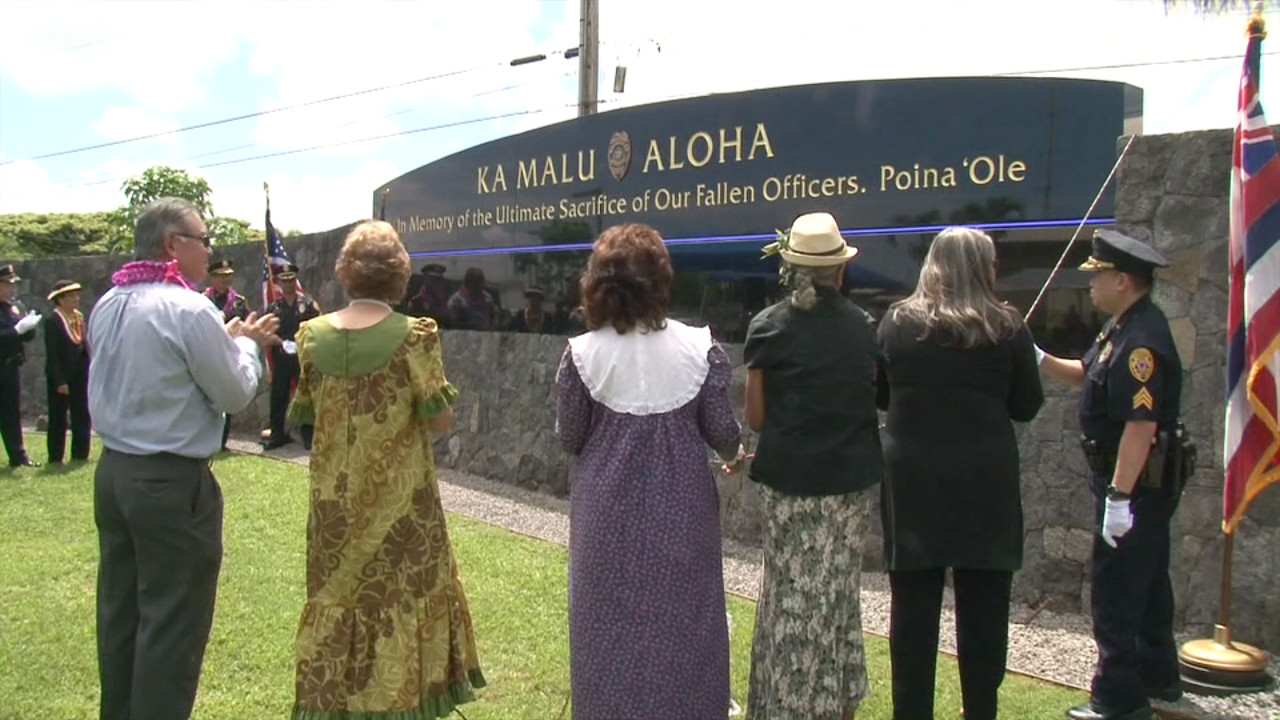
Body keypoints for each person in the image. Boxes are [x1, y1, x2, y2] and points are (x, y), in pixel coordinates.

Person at [88, 197, 278, 720]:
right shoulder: (188, 308)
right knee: (172, 627)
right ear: (174, 244)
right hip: (170, 483)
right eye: (203, 239)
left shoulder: (110, 302)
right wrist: (246, 345)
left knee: (121, 616)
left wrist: (225, 338)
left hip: (115, 474)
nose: (209, 249)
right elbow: (234, 392)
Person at [287, 220, 485, 718]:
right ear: (399, 275)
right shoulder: (415, 336)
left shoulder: (310, 336)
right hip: (403, 509)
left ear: (346, 274)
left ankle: (341, 700)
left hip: (334, 510)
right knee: (403, 600)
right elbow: (439, 420)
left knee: (339, 599)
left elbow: (306, 411)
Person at [555, 223, 743, 720]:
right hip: (681, 519)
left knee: (607, 631)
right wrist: (736, 452)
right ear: (661, 281)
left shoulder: (581, 355)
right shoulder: (699, 349)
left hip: (605, 520)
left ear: (598, 284)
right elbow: (724, 432)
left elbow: (570, 436)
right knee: (685, 627)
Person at [875, 227, 1045, 720]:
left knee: (912, 612)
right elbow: (1027, 405)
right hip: (984, 483)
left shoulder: (896, 323)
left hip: (913, 482)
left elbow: (882, 395)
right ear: (981, 268)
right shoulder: (1009, 327)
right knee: (985, 615)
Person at [1038, 229, 1184, 720]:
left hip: (1135, 485)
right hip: (1134, 484)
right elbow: (1086, 373)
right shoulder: (1121, 328)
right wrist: (1036, 357)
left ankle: (1118, 696)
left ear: (1122, 280)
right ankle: (1158, 676)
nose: (1090, 286)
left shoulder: (1141, 341)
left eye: (1097, 276)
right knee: (1147, 582)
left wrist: (1120, 498)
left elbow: (1140, 428)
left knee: (1117, 587)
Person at [742, 212, 882, 720]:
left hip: (789, 485)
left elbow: (756, 418)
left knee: (787, 597)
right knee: (838, 596)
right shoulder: (864, 329)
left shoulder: (768, 328)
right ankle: (837, 705)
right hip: (848, 486)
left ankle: (781, 704)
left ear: (792, 269)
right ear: (840, 272)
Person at [264, 263, 320, 450]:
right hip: (281, 357)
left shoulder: (309, 304)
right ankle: (277, 435)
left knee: (306, 396)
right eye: (284, 280)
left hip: (303, 357)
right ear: (279, 282)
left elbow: (319, 327)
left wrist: (302, 342)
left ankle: (308, 436)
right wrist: (280, 342)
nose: (288, 283)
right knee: (278, 396)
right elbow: (265, 332)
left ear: (295, 280)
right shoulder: (274, 307)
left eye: (291, 279)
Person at [44, 279, 92, 464]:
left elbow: (84, 345)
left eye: (76, 295)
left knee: (81, 412)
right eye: (71, 296)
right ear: (60, 300)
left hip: (80, 373)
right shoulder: (53, 321)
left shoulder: (78, 317)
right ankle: (55, 456)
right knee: (58, 417)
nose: (76, 299)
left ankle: (81, 453)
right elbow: (52, 354)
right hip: (61, 375)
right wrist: (59, 381)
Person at [204, 259, 250, 451]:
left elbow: (246, 324)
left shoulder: (238, 302)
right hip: (206, 352)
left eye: (229, 276)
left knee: (225, 393)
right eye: (221, 276)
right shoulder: (202, 300)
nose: (226, 280)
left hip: (230, 352)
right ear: (212, 278)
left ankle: (222, 441)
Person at [0, 263, 40, 468]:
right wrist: (16, 331)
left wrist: (29, 326)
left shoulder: (12, 307)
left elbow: (26, 336)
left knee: (11, 412)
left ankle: (18, 455)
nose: (12, 288)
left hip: (10, 367)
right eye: (7, 284)